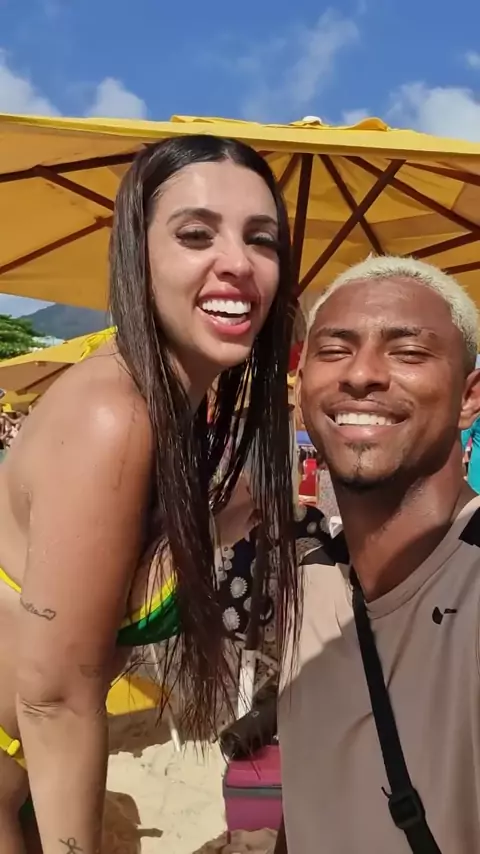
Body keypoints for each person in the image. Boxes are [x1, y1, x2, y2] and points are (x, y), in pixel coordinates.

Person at [0, 135, 298, 854]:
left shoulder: (173, 415)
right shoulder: (115, 413)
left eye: (261, 238)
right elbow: (52, 699)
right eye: (196, 235)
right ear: (138, 256)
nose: (237, 261)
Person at [276, 255, 480, 853]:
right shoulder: (302, 578)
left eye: (408, 352)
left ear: (470, 398)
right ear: (302, 388)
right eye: (334, 350)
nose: (361, 373)